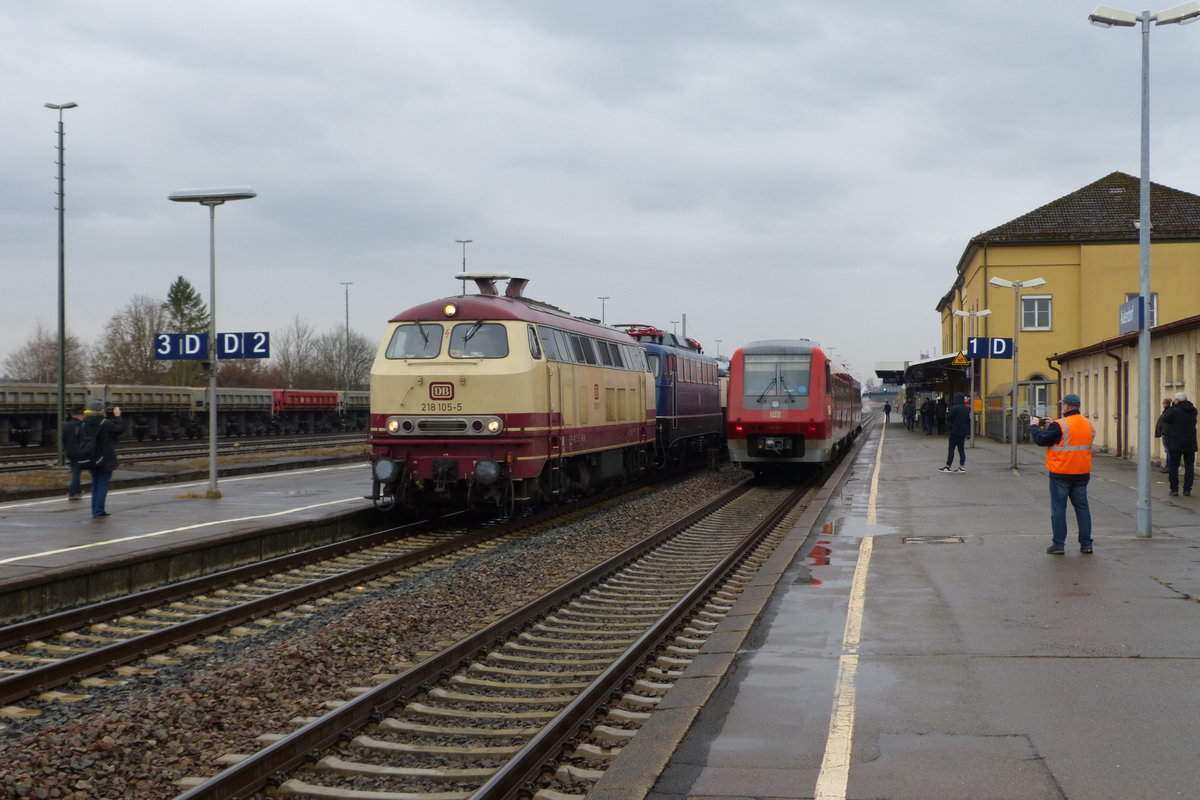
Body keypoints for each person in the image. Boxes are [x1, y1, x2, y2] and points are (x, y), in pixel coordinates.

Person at [1030, 394, 1094, 555]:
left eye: (1063, 405)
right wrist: (1053, 425)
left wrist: (1034, 426)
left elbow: (1041, 440)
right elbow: (1076, 436)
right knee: (1082, 509)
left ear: (1066, 406)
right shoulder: (1088, 424)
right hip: (1081, 473)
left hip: (1061, 473)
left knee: (1059, 509)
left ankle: (1058, 545)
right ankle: (1086, 545)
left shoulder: (1060, 425)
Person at [80, 399, 124, 518]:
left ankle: (95, 510)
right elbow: (119, 430)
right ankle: (99, 511)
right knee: (102, 485)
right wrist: (118, 416)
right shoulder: (104, 422)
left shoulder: (84, 423)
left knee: (95, 484)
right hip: (105, 457)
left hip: (91, 457)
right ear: (101, 411)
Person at [1159, 392, 1198, 497]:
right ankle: (1187, 490)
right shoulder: (1193, 410)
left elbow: (1164, 418)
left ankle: (1174, 489)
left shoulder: (1174, 411)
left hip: (1176, 442)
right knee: (1189, 467)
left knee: (1174, 466)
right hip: (1190, 442)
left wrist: (1172, 406)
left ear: (1177, 400)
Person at [939, 392, 971, 473]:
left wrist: (947, 412)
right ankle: (962, 467)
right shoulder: (966, 408)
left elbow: (948, 418)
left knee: (951, 449)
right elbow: (968, 421)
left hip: (954, 431)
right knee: (961, 449)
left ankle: (948, 466)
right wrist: (968, 433)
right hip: (963, 432)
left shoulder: (954, 408)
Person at [61, 406, 85, 501]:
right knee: (76, 473)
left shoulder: (66, 425)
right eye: (82, 415)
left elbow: (63, 439)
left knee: (75, 471)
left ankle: (78, 491)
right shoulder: (80, 425)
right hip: (78, 452)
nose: (83, 416)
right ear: (78, 415)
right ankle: (73, 492)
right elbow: (82, 439)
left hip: (70, 452)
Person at [1155, 397, 1173, 473]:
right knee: (1168, 451)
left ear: (1166, 404)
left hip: (1166, 435)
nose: (1162, 404)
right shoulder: (1167, 411)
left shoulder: (1168, 411)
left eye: (1163, 403)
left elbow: (1166, 424)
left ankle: (1169, 467)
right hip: (1166, 434)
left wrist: (1164, 433)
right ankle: (1167, 466)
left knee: (1168, 451)